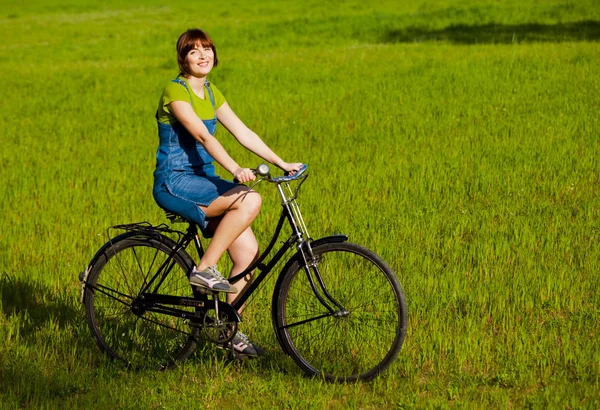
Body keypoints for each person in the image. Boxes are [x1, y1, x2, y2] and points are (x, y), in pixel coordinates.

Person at [152, 28, 302, 357]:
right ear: (183, 58)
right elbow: (205, 138)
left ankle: (229, 333)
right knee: (250, 199)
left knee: (247, 254)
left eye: (207, 48)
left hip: (204, 179)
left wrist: (281, 162)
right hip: (175, 181)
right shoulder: (174, 93)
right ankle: (204, 269)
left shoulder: (211, 91)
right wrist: (235, 169)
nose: (203, 55)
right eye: (194, 51)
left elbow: (242, 131)